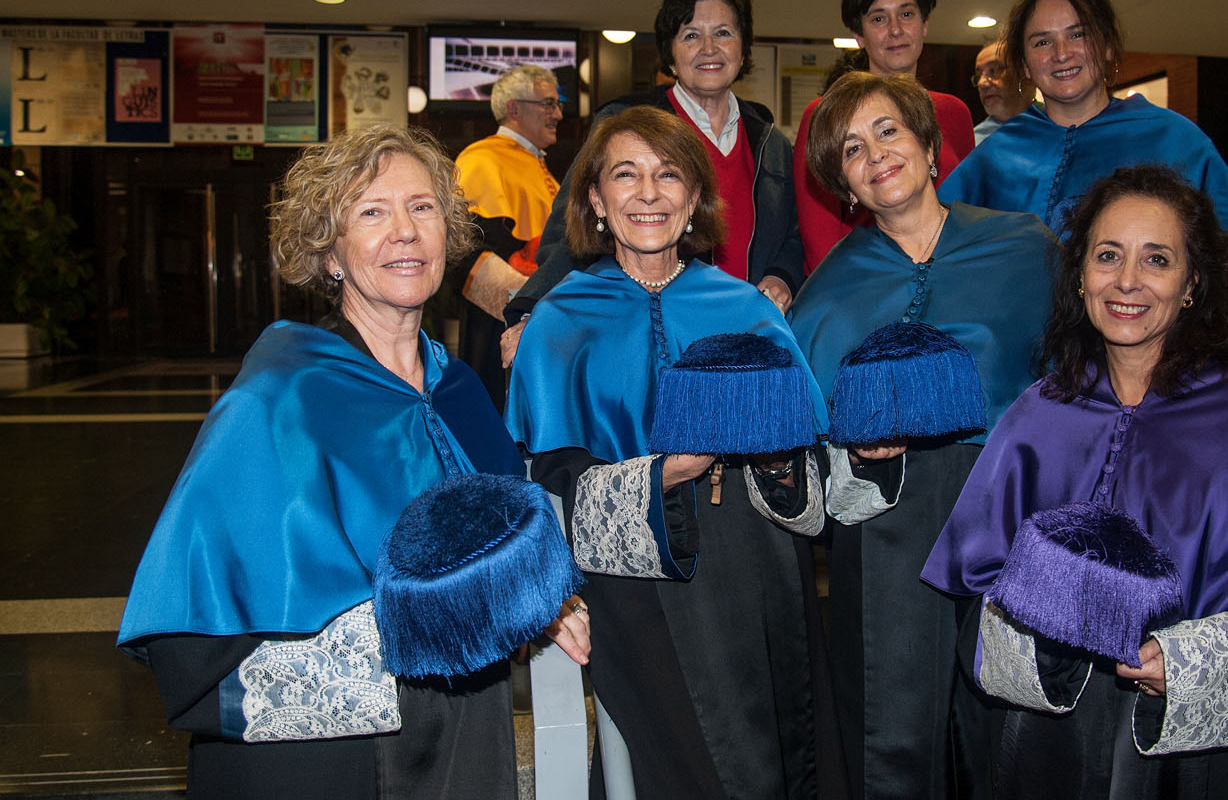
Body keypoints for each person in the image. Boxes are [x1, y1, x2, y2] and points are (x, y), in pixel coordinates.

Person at [117, 125, 590, 800]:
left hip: (461, 733)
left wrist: (538, 598)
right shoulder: (280, 398)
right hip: (332, 755)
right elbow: (202, 622)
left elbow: (503, 549)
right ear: (330, 251)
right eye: (372, 212)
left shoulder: (458, 389)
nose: (406, 232)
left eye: (422, 208)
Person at [923, 164, 1228, 799]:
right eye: (1107, 255)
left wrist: (1193, 665)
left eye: (1157, 259)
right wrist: (1043, 640)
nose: (1127, 281)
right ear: (1080, 275)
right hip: (1056, 748)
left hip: (1212, 766)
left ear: (1191, 284)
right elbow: (974, 595)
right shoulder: (1039, 413)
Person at [506, 106, 845, 799]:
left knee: (778, 754)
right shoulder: (560, 320)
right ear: (596, 200)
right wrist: (665, 473)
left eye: (668, 175)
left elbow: (807, 464)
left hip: (754, 570)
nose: (648, 193)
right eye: (625, 175)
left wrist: (775, 460)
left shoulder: (747, 308)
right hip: (634, 585)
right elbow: (552, 481)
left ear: (693, 200)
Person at [788, 71, 1055, 799]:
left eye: (888, 131)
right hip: (889, 530)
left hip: (1013, 511)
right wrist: (852, 450)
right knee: (891, 731)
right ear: (843, 185)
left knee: (1008, 723)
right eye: (851, 149)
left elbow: (1077, 382)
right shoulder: (827, 293)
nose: (875, 154)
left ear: (931, 147)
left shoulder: (1026, 248)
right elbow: (807, 445)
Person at [502, 0, 804, 362]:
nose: (709, 48)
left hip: (748, 341)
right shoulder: (624, 126)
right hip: (646, 343)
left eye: (723, 33)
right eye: (691, 35)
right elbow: (571, 229)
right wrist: (534, 309)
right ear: (670, 55)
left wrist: (783, 276)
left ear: (743, 50)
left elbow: (795, 233)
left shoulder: (770, 141)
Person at [938, 0, 1228, 269]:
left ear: (1107, 46)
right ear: (1024, 64)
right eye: (1042, 42)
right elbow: (938, 245)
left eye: (1077, 34)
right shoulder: (997, 154)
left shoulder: (1172, 138)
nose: (1061, 53)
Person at [794, 0, 978, 272]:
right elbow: (819, 243)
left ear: (924, 24)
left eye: (906, 14)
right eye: (879, 18)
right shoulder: (823, 117)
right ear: (859, 35)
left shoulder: (954, 113)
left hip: (955, 277)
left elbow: (967, 211)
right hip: (864, 285)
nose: (895, 30)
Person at [451, 64, 562, 404]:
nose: (558, 114)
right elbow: (467, 252)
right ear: (514, 108)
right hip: (502, 326)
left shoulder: (537, 164)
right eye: (548, 104)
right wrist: (530, 307)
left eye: (557, 104)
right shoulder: (482, 161)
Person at [970, 39, 1033, 145]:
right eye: (978, 76)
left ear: (1025, 72)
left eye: (994, 70)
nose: (982, 83)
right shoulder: (973, 144)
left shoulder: (1056, 124)